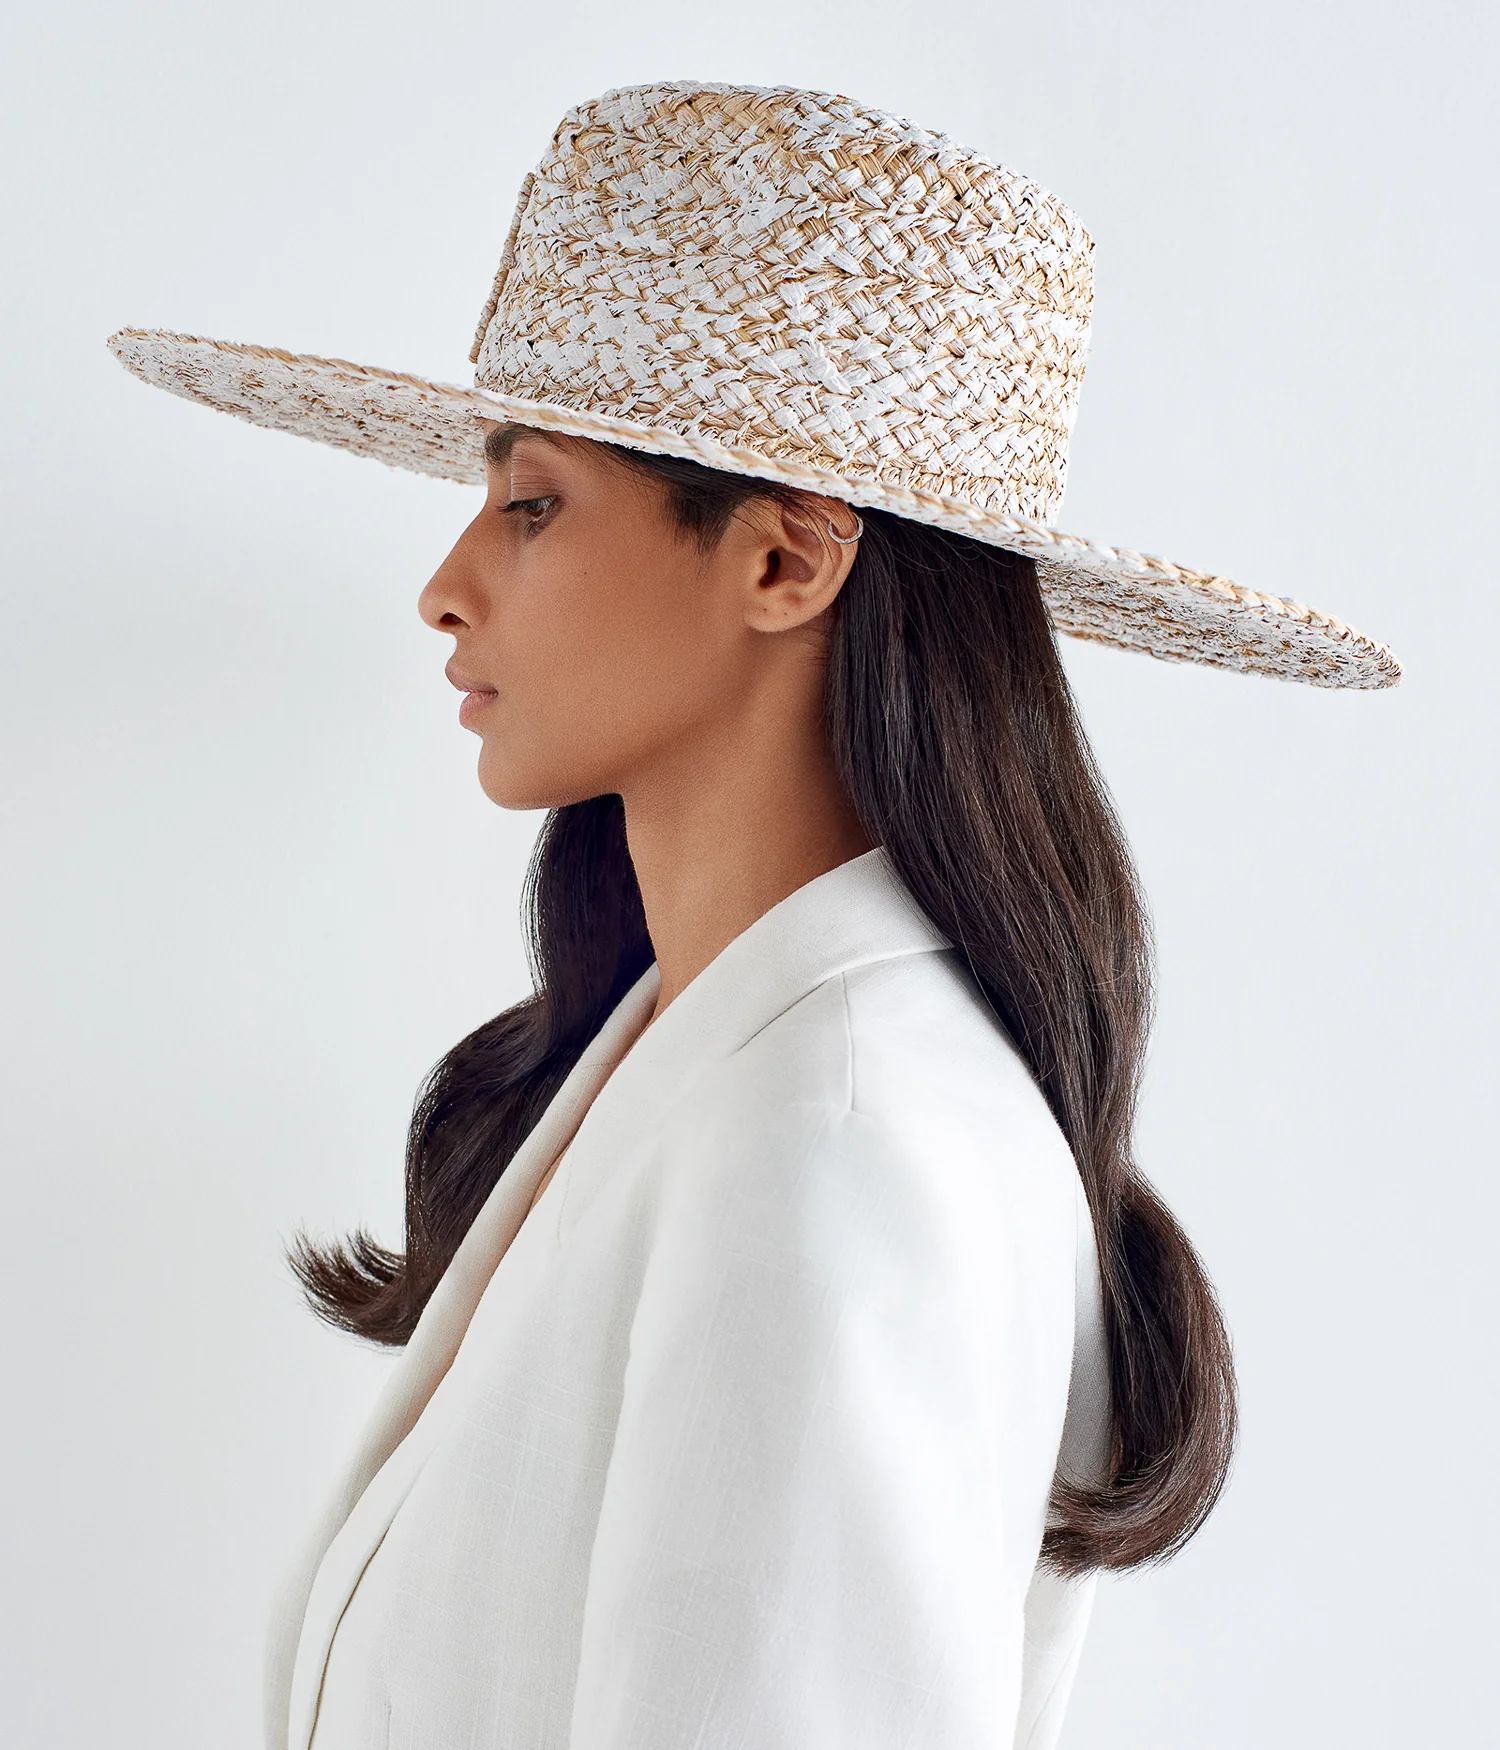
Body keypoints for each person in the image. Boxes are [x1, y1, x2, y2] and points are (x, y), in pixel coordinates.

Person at [108, 80, 1399, 1750]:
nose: (448, 581)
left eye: (532, 502)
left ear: (788, 565)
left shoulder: (837, 1138)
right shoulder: (717, 1059)